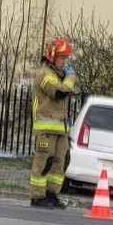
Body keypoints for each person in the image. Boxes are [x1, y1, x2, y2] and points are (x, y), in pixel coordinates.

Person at [29, 36, 77, 208]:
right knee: (43, 162)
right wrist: (70, 77)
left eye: (66, 59)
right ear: (53, 57)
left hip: (60, 130)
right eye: (62, 58)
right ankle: (37, 197)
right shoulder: (45, 75)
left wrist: (65, 76)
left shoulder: (58, 75)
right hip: (46, 130)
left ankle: (51, 194)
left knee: (59, 162)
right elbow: (60, 92)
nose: (65, 62)